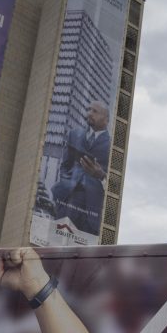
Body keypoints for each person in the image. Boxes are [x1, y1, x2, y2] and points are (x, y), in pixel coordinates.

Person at [51, 100, 111, 234]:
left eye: (95, 111)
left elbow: (115, 184)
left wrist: (101, 175)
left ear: (106, 120)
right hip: (68, 200)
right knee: (56, 239)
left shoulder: (112, 146)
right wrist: (65, 183)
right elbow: (65, 165)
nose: (89, 113)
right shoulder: (74, 134)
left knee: (82, 245)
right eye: (88, 109)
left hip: (91, 209)